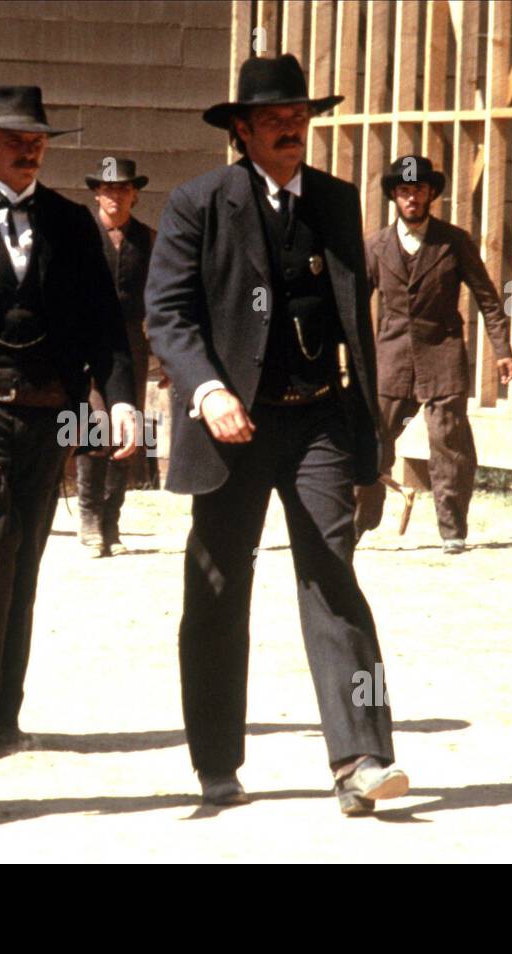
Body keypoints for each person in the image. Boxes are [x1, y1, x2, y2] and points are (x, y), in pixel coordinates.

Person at [145, 54, 406, 815]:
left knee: (334, 576)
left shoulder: (335, 200)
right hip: (233, 427)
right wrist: (210, 388)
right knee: (219, 584)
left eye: (300, 117)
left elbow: (355, 323)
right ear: (241, 130)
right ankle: (217, 761)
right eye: (275, 119)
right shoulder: (198, 204)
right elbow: (167, 313)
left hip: (319, 415)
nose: (292, 129)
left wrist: (370, 441)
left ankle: (363, 757)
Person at [0, 85, 136, 753]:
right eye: (16, 140)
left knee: (25, 558)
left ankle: (7, 710)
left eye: (38, 141)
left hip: (50, 412)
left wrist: (122, 398)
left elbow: (106, 324)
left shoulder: (72, 224)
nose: (29, 150)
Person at [366, 155, 512, 555]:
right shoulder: (376, 246)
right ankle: (360, 521)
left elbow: (487, 297)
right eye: (404, 191)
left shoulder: (454, 241)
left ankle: (453, 531)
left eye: (418, 190)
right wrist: (354, 359)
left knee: (449, 444)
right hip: (391, 360)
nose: (412, 198)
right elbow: (353, 306)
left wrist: (503, 350)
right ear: (394, 196)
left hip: (443, 355)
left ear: (431, 193)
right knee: (372, 440)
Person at [77, 156, 156, 556]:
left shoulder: (149, 239)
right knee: (91, 427)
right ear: (96, 193)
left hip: (131, 346)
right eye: (108, 189)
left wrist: (166, 356)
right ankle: (88, 521)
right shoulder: (79, 236)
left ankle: (112, 523)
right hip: (86, 343)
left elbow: (160, 301)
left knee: (128, 433)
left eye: (123, 188)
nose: (115, 196)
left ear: (135, 194)